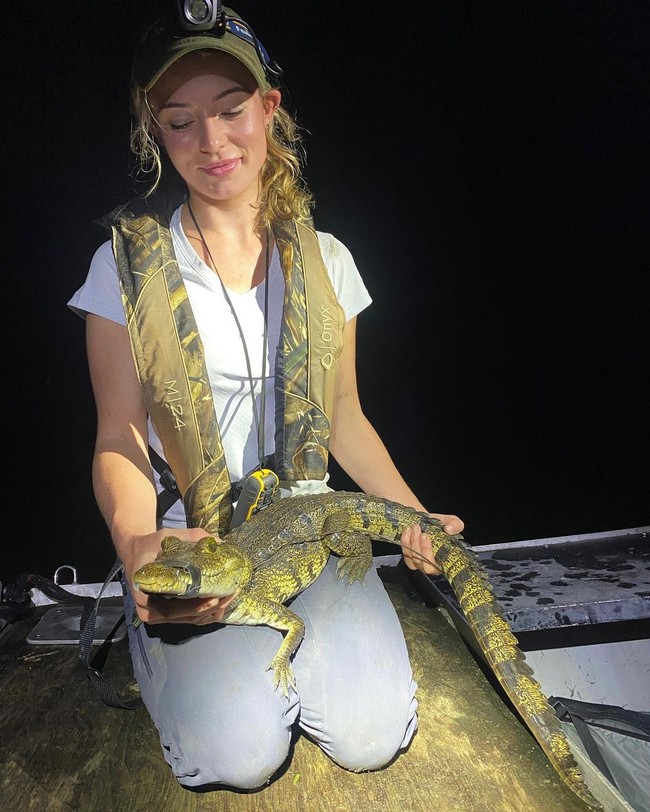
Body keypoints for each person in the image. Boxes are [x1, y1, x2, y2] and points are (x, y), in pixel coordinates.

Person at [68, 1, 464, 791]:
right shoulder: (120, 268)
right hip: (196, 545)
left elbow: (344, 417)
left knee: (370, 733)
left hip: (307, 527)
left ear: (269, 109)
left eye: (231, 110)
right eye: (181, 121)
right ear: (155, 130)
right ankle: (153, 648)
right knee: (237, 756)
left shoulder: (329, 260)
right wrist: (137, 542)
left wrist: (416, 519)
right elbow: (118, 435)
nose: (212, 142)